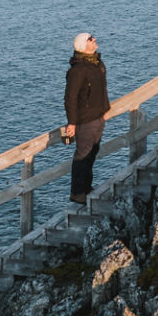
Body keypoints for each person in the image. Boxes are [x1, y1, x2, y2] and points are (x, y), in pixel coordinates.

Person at [62, 31, 109, 204]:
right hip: (85, 119)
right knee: (82, 154)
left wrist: (104, 108)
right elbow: (70, 98)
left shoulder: (96, 63)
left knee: (92, 152)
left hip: (97, 116)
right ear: (83, 45)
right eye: (90, 39)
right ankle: (77, 193)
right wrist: (72, 123)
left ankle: (87, 188)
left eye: (93, 37)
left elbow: (101, 89)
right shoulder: (77, 70)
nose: (94, 39)